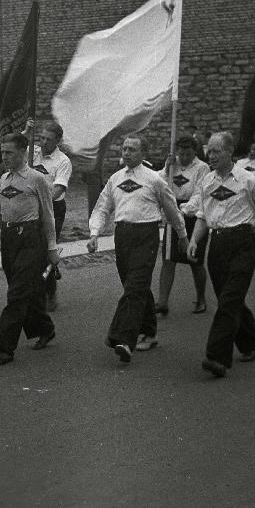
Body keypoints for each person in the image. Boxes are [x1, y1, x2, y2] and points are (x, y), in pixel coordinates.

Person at [187, 131, 255, 378]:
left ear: (230, 152)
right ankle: (251, 341)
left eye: (216, 151)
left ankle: (217, 356)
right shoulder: (207, 182)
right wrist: (194, 240)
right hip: (217, 244)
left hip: (243, 243)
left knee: (230, 298)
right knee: (228, 299)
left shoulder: (248, 180)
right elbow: (201, 215)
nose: (211, 156)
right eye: (209, 151)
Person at [87, 135, 187, 363]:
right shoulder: (115, 179)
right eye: (124, 148)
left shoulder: (154, 180)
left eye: (132, 149)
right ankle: (149, 332)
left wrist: (182, 236)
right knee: (135, 286)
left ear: (144, 153)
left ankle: (123, 340)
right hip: (122, 236)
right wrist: (94, 234)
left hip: (146, 235)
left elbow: (171, 209)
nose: (127, 153)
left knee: (134, 287)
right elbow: (103, 208)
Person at [0, 132, 59, 365]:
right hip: (9, 239)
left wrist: (52, 248)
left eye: (9, 152)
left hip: (31, 238)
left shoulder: (36, 179)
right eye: (2, 152)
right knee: (25, 291)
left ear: (23, 153)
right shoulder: (4, 179)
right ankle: (45, 328)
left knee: (17, 293)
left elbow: (48, 216)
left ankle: (4, 346)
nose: (4, 157)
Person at [21, 118, 73, 311]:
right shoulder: (32, 153)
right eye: (41, 137)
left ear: (57, 141)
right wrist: (26, 133)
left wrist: (42, 204)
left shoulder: (63, 162)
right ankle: (37, 290)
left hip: (52, 210)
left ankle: (49, 293)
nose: (43, 142)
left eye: (48, 139)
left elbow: (58, 189)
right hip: (29, 208)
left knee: (45, 251)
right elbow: (13, 149)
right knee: (30, 252)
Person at [156, 135, 210, 315]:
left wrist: (184, 211)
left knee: (194, 260)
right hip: (173, 211)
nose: (184, 157)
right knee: (168, 259)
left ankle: (201, 298)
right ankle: (162, 302)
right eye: (181, 154)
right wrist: (166, 167)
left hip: (193, 215)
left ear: (194, 152)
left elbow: (199, 193)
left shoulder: (202, 168)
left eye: (188, 154)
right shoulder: (173, 165)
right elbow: (159, 182)